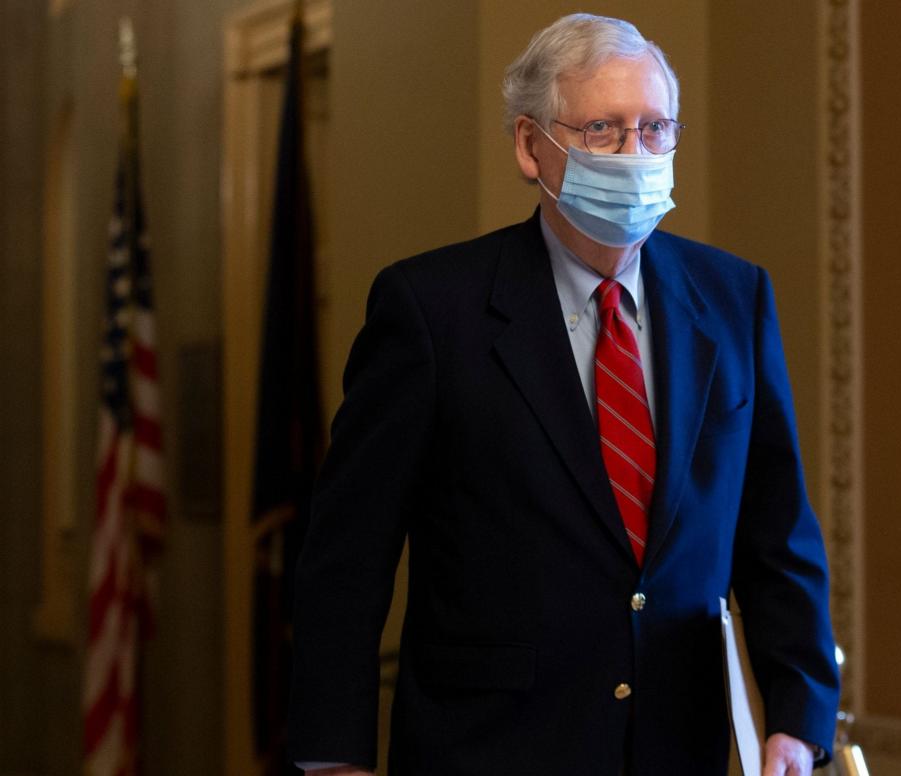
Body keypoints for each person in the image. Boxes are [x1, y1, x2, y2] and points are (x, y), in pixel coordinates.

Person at [289, 13, 839, 776]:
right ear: (529, 146)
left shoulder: (733, 296)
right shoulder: (429, 310)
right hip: (490, 750)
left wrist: (797, 718)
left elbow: (778, 532)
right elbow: (347, 557)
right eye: (604, 131)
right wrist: (332, 758)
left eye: (655, 130)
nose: (635, 156)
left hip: (678, 749)